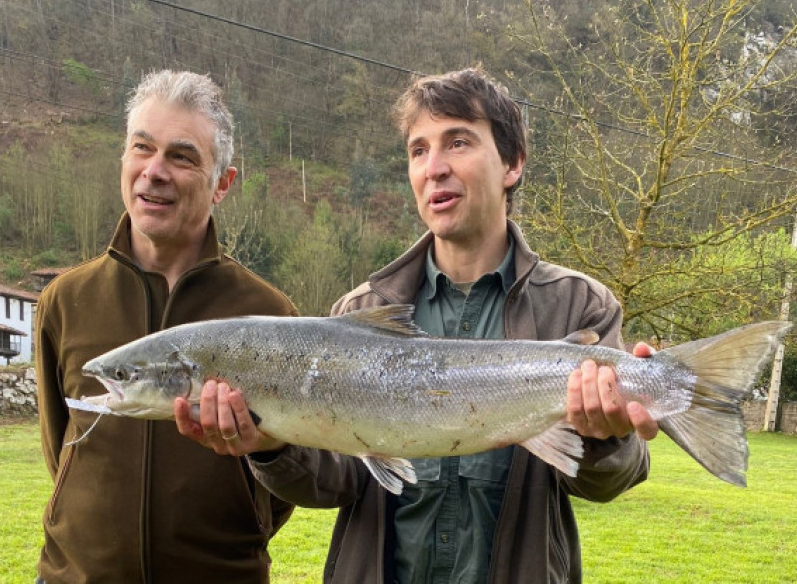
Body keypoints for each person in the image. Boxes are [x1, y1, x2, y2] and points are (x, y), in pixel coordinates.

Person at [175, 68, 659, 583]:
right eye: (419, 150)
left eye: (458, 142)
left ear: (512, 163)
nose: (435, 168)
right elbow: (333, 481)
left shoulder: (579, 306)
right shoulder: (356, 314)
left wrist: (605, 438)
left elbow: (612, 481)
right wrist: (269, 445)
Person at [35, 69, 298, 584]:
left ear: (222, 184)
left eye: (181, 156)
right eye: (142, 148)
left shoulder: (269, 312)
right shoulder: (64, 300)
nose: (154, 171)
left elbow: (285, 475)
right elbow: (57, 448)